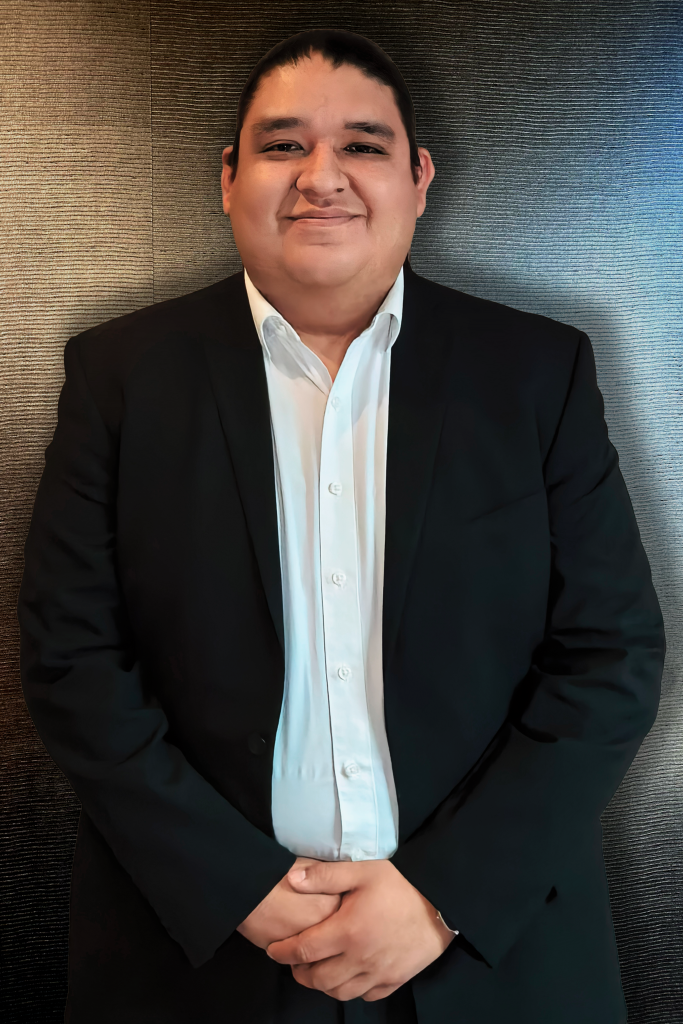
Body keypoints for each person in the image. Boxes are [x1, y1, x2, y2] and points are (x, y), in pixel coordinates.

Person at [18, 28, 665, 1024]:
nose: (321, 176)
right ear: (228, 177)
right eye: (283, 145)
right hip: (197, 962)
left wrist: (442, 896)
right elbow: (72, 660)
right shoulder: (120, 378)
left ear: (418, 178)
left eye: (363, 145)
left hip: (492, 961)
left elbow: (610, 656)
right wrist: (235, 886)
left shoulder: (536, 375)